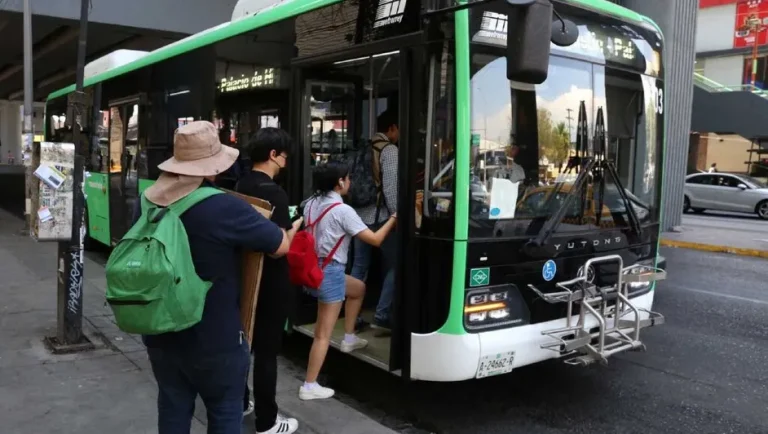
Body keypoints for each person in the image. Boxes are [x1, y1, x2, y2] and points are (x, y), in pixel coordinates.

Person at [134, 120, 296, 434]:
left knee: (172, 409)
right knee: (224, 413)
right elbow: (280, 245)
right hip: (214, 338)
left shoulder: (148, 202)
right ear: (211, 168)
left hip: (159, 330)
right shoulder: (223, 206)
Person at [300, 161, 397, 401]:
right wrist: (394, 217)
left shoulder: (310, 203)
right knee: (323, 334)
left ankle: (350, 337)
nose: (350, 181)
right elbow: (374, 239)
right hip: (330, 271)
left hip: (316, 268)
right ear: (340, 182)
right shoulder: (342, 210)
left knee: (358, 288)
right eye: (348, 178)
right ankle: (309, 386)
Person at [235, 128, 302, 434]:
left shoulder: (242, 183)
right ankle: (268, 421)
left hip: (243, 275)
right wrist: (295, 225)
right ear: (273, 155)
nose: (285, 162)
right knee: (266, 353)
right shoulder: (274, 192)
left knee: (242, 345)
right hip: (271, 281)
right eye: (284, 156)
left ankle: (241, 402)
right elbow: (280, 247)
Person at [350, 110, 399, 331]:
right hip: (379, 218)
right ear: (392, 128)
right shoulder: (389, 151)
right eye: (398, 129)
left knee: (360, 266)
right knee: (398, 264)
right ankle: (382, 313)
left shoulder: (364, 147)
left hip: (358, 216)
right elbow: (390, 188)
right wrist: (397, 215)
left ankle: (353, 315)